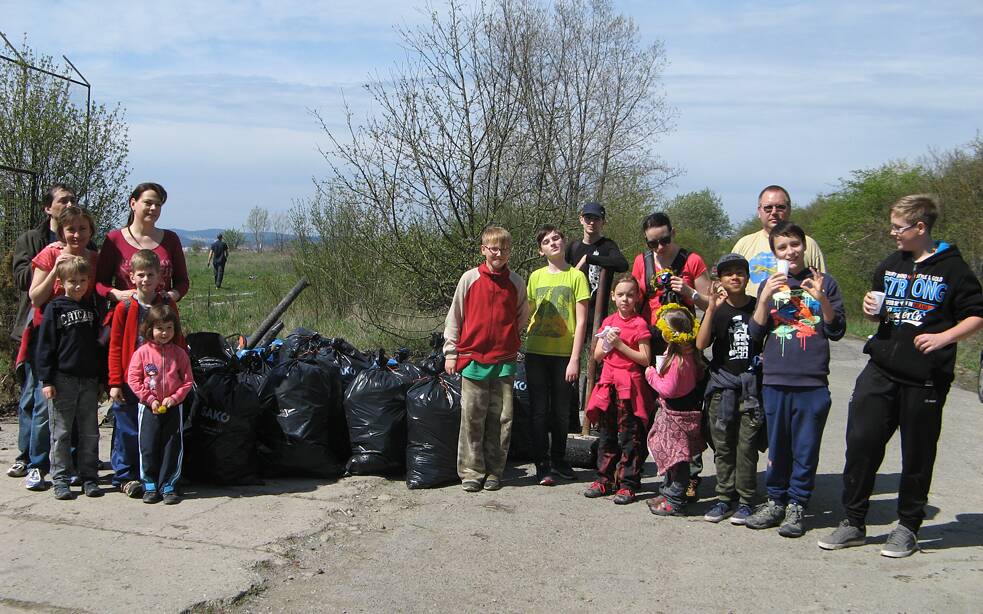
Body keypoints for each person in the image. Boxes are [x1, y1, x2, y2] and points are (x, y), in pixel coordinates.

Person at [818, 194, 983, 558]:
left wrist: (945, 337)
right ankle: (853, 522)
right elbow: (881, 309)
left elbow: (976, 313)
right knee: (861, 444)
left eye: (898, 227)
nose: (892, 232)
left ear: (920, 227)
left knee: (917, 454)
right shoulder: (892, 263)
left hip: (925, 377)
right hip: (880, 369)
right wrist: (872, 310)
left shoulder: (953, 270)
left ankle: (907, 526)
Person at [745, 221, 845, 538]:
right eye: (783, 247)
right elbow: (755, 334)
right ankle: (776, 500)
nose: (791, 251)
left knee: (805, 448)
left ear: (804, 245)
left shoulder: (825, 283)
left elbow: (836, 330)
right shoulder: (770, 284)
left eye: (795, 245)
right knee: (778, 447)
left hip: (812, 382)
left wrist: (822, 299)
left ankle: (797, 505)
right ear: (776, 253)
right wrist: (764, 300)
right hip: (775, 379)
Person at [17, 205, 100, 491]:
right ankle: (37, 465)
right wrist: (56, 268)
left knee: (79, 419)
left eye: (83, 229)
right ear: (61, 231)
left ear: (91, 232)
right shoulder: (49, 253)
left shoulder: (94, 259)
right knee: (44, 412)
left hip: (79, 344)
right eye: (71, 229)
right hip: (49, 337)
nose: (77, 234)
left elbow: (99, 293)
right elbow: (35, 298)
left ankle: (74, 468)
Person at [630, 212, 711, 501]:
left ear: (673, 233)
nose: (660, 248)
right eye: (653, 243)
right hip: (655, 339)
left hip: (685, 344)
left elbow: (710, 301)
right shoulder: (643, 261)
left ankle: (690, 475)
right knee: (655, 407)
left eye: (664, 240)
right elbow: (634, 298)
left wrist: (689, 291)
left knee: (685, 410)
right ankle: (659, 471)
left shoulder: (692, 260)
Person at [443, 227, 529, 492]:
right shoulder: (469, 280)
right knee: (472, 418)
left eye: (503, 249)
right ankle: (471, 471)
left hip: (503, 361)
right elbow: (455, 317)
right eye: (493, 248)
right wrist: (451, 352)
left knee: (501, 420)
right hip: (472, 360)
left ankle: (494, 471)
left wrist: (510, 339)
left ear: (509, 252)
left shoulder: (516, 282)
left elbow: (521, 317)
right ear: (484, 250)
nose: (499, 254)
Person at [8, 184, 78, 480]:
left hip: (70, 330)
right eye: (63, 200)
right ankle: (27, 456)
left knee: (65, 395)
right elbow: (22, 278)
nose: (68, 204)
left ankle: (64, 457)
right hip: (34, 326)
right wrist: (50, 261)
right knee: (32, 397)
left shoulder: (79, 238)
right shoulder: (33, 240)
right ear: (48, 208)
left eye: (72, 200)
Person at [695, 253, 763, 525]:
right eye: (728, 274)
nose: (734, 277)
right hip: (722, 387)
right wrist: (710, 309)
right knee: (723, 446)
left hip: (750, 388)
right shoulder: (718, 310)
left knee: (747, 446)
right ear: (719, 280)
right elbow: (701, 345)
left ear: (747, 277)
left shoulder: (758, 308)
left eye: (740, 272)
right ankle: (724, 498)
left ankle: (746, 500)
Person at [108, 250, 181, 498]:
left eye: (151, 274)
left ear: (160, 277)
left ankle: (155, 476)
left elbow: (178, 341)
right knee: (126, 428)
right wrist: (115, 381)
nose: (146, 280)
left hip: (162, 382)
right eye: (141, 275)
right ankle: (125, 476)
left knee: (156, 433)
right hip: (132, 381)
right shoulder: (125, 307)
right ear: (131, 276)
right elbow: (116, 345)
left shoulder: (167, 305)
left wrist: (181, 375)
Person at [34, 256, 103, 500]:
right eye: (72, 281)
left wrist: (101, 378)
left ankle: (89, 476)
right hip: (63, 380)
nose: (78, 285)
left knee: (89, 430)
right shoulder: (55, 308)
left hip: (89, 380)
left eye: (83, 280)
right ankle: (60, 478)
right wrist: (47, 380)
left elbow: (98, 346)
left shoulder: (91, 309)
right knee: (61, 431)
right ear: (61, 282)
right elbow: (45, 346)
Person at [525, 225, 589, 485]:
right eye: (547, 241)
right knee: (539, 410)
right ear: (541, 250)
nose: (553, 243)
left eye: (556, 238)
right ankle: (542, 464)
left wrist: (576, 359)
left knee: (561, 412)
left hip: (564, 354)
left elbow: (582, 322)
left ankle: (560, 459)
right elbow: (527, 313)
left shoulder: (576, 277)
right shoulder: (535, 277)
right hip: (535, 352)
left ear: (563, 242)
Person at [583, 274, 652, 504]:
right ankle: (605, 479)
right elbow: (597, 355)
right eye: (621, 294)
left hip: (630, 388)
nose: (625, 299)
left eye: (630, 295)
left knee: (630, 437)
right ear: (613, 297)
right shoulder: (609, 321)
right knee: (606, 435)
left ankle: (628, 483)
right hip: (608, 385)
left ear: (637, 298)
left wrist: (620, 344)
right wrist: (608, 342)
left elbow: (645, 358)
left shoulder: (639, 323)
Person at [565, 201, 628, 432]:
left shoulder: (608, 245)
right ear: (581, 218)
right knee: (571, 368)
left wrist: (591, 258)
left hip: (599, 319)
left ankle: (598, 420)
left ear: (603, 222)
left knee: (599, 369)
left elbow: (622, 264)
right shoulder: (572, 247)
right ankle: (572, 421)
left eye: (596, 219)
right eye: (588, 218)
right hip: (576, 317)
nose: (592, 222)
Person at [126, 304, 194, 505]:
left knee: (171, 447)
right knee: (148, 447)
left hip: (173, 407)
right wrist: (149, 399)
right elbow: (133, 379)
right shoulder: (142, 353)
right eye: (159, 328)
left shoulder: (180, 354)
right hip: (149, 408)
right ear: (149, 330)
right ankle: (149, 485)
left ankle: (169, 485)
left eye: (169, 328)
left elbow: (188, 380)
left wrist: (174, 398)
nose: (164, 333)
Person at [644, 304, 706, 516]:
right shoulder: (688, 353)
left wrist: (651, 374)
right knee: (672, 460)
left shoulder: (679, 360)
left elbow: (669, 389)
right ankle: (666, 491)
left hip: (676, 417)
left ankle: (675, 499)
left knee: (677, 460)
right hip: (681, 412)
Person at [96, 182, 189, 305]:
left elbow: (182, 282)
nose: (153, 208)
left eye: (158, 205)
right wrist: (118, 295)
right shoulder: (114, 239)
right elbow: (100, 283)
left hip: (161, 318)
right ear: (133, 203)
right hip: (126, 316)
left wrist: (171, 296)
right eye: (148, 203)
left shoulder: (171, 239)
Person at [732, 185, 826, 297]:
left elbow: (823, 286)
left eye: (780, 207)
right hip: (754, 312)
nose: (774, 212)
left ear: (789, 209)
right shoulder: (743, 244)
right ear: (759, 211)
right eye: (768, 208)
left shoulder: (808, 243)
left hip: (801, 312)